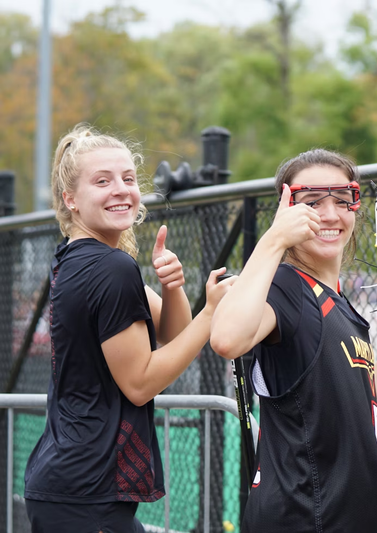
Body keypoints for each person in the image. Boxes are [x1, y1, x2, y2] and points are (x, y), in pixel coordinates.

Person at [209, 149, 377, 533]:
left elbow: (347, 402)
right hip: (306, 518)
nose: (330, 215)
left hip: (352, 513)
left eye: (342, 199)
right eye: (312, 202)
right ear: (287, 209)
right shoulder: (286, 286)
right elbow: (226, 339)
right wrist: (272, 240)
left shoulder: (336, 301)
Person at [24, 125, 234, 533]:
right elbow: (139, 384)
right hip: (86, 495)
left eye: (128, 178)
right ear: (71, 199)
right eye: (102, 181)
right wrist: (211, 313)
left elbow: (174, 336)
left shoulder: (78, 258)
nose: (121, 189)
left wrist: (173, 289)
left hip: (70, 488)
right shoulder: (109, 266)